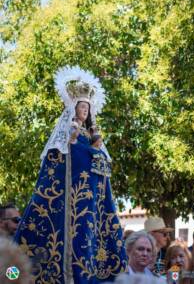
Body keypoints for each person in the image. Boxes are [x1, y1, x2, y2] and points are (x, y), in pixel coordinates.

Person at [14, 66, 127, 284]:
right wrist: (77, 141)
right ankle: (11, 275)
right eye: (81, 107)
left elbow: (102, 164)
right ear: (74, 109)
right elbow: (61, 160)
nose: (84, 111)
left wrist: (95, 145)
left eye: (87, 108)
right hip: (69, 201)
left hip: (90, 203)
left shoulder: (91, 135)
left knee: (89, 243)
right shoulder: (67, 135)